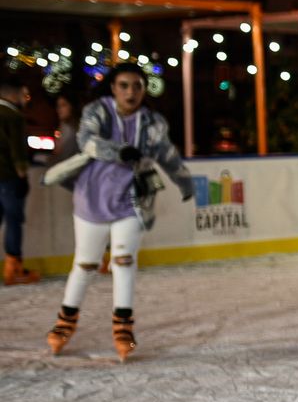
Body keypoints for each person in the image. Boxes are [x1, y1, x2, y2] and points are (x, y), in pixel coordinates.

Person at [45, 64, 193, 358]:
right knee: (86, 264)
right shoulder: (96, 112)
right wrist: (120, 151)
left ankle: (123, 325)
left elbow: (167, 153)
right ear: (113, 87)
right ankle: (65, 322)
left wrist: (184, 180)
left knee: (125, 261)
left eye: (137, 86)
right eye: (124, 85)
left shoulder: (152, 121)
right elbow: (87, 142)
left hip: (132, 200)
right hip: (92, 198)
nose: (131, 92)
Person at [1, 75, 40, 285]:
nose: (25, 98)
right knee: (14, 220)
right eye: (23, 94)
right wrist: (23, 176)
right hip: (8, 177)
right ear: (14, 93)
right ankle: (13, 267)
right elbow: (18, 151)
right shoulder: (13, 116)